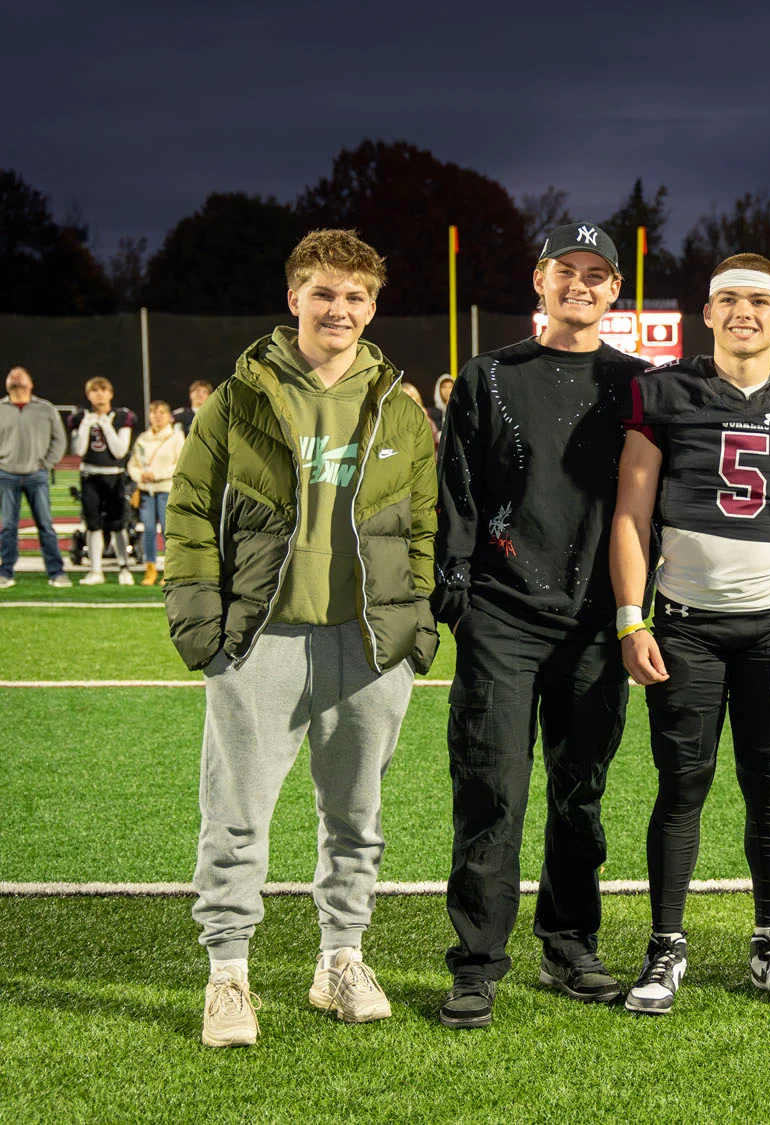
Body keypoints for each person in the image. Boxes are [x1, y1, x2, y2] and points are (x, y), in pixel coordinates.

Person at [165, 229, 438, 1048]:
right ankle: (228, 972)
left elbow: (422, 522)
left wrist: (414, 623)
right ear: (295, 298)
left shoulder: (398, 403)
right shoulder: (239, 397)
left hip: (365, 643)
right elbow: (188, 511)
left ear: (373, 306)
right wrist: (200, 625)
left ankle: (340, 957)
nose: (339, 309)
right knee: (237, 817)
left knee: (358, 816)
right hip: (261, 638)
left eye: (356, 296)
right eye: (324, 293)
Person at [611, 253, 770, 1015]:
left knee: (769, 787)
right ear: (707, 312)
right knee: (682, 785)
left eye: (761, 301)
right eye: (730, 300)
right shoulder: (665, 393)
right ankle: (664, 946)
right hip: (684, 623)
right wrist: (631, 617)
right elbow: (632, 511)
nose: (745, 312)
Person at [431, 222, 652, 1029]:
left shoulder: (640, 385)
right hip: (502, 615)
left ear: (614, 290)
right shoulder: (489, 378)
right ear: (540, 280)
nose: (582, 285)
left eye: (598, 274)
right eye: (568, 271)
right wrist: (455, 597)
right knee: (493, 790)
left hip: (597, 618)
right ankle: (478, 960)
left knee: (580, 793)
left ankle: (570, 942)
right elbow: (456, 492)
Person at [0, 366, 71, 588]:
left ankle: (56, 572)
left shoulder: (45, 408)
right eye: (12, 376)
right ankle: (5, 572)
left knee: (45, 525)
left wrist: (46, 464)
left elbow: (59, 440)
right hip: (6, 474)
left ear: (31, 383)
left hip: (36, 475)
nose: (16, 378)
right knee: (8, 526)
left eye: (21, 376)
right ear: (6, 383)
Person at [69, 377, 136, 585]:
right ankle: (96, 570)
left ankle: (124, 568)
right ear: (88, 394)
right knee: (93, 525)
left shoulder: (122, 416)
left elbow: (119, 451)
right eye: (94, 390)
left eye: (103, 390)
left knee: (118, 525)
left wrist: (106, 426)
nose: (99, 394)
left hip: (114, 475)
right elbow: (79, 450)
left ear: (110, 393)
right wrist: (86, 426)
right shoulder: (81, 417)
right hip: (90, 475)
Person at [128, 399, 185, 586]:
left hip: (166, 490)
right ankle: (150, 569)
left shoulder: (176, 438)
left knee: (169, 532)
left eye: (161, 412)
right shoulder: (143, 438)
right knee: (149, 531)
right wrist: (140, 476)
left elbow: (180, 464)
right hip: (146, 492)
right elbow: (133, 464)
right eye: (153, 412)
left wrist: (157, 475)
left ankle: (170, 570)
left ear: (169, 416)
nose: (157, 416)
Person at [401, 380, 440, 447]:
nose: (408, 400)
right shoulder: (397, 419)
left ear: (416, 397)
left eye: (410, 396)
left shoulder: (426, 416)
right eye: (404, 397)